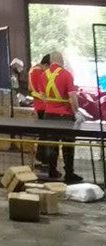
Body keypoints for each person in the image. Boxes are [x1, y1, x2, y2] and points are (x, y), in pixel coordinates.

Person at [43, 51, 83, 184]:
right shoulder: (66, 75)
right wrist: (77, 111)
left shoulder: (44, 75)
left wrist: (50, 107)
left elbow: (43, 96)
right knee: (68, 145)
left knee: (52, 144)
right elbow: (72, 96)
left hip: (48, 115)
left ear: (50, 61)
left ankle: (52, 170)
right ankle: (69, 173)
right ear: (61, 60)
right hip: (65, 116)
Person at [28, 54, 50, 166]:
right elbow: (41, 90)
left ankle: (42, 157)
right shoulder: (38, 72)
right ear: (46, 64)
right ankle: (43, 158)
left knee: (44, 133)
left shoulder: (34, 70)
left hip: (41, 105)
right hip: (43, 106)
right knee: (45, 134)